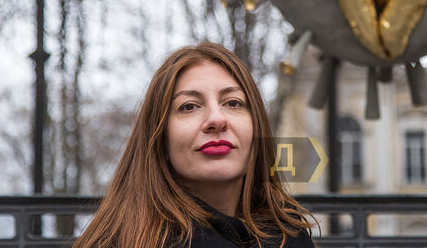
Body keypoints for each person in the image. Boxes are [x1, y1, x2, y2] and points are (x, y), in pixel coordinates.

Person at [73, 42, 315, 248]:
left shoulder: (291, 236)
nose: (216, 120)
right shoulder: (121, 241)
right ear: (160, 139)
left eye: (233, 103)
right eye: (189, 106)